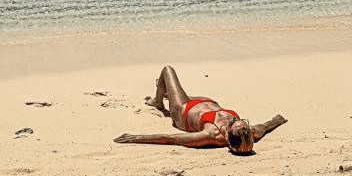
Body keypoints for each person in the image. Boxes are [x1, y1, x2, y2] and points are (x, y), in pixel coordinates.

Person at [114, 65, 287, 154]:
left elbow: (171, 139)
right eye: (244, 125)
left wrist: (135, 137)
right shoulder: (248, 133)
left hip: (182, 110)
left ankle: (158, 102)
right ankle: (165, 92)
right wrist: (277, 120)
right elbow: (264, 126)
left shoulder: (210, 135)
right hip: (204, 102)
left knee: (167, 71)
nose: (243, 124)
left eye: (237, 125)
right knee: (167, 85)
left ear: (227, 135)